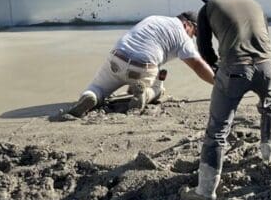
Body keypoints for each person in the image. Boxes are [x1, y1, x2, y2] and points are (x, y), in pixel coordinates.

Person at [181, 0, 271, 200]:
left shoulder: (208, 8)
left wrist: (218, 70)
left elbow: (205, 49)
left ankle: (205, 191)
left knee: (217, 129)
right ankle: (269, 156)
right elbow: (265, 40)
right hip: (268, 68)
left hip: (234, 70)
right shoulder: (256, 5)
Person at [58, 12, 215, 120]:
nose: (193, 37)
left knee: (97, 87)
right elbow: (198, 66)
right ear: (187, 24)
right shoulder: (183, 37)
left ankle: (91, 96)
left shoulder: (154, 18)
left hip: (117, 59)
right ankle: (145, 94)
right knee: (159, 88)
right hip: (143, 68)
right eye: (194, 32)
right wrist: (218, 82)